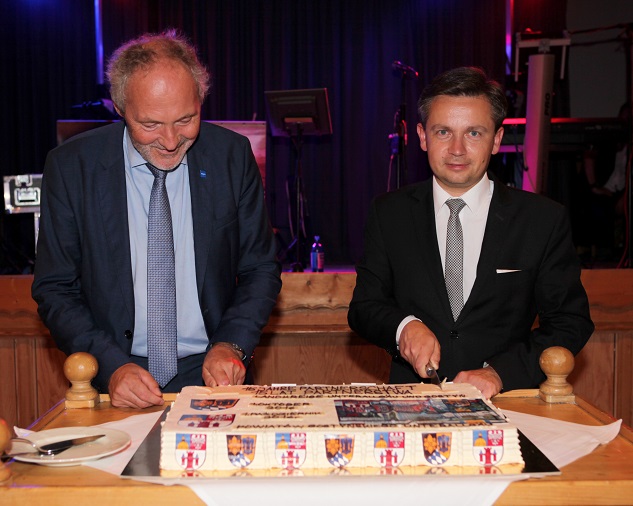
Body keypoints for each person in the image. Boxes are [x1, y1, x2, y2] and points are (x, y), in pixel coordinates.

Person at [32, 30, 281, 408]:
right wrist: (112, 365)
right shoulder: (71, 167)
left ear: (200, 101)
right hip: (116, 374)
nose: (169, 140)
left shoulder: (231, 156)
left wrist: (231, 344)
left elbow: (260, 269)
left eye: (186, 120)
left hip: (211, 373)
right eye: (150, 124)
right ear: (120, 108)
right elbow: (55, 288)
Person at [348, 67, 593, 399]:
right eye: (443, 132)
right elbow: (365, 307)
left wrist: (498, 373)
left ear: (497, 140)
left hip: (509, 406)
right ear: (422, 136)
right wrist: (404, 327)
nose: (458, 149)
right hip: (411, 406)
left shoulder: (542, 219)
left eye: (474, 133)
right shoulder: (388, 213)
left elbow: (570, 322)